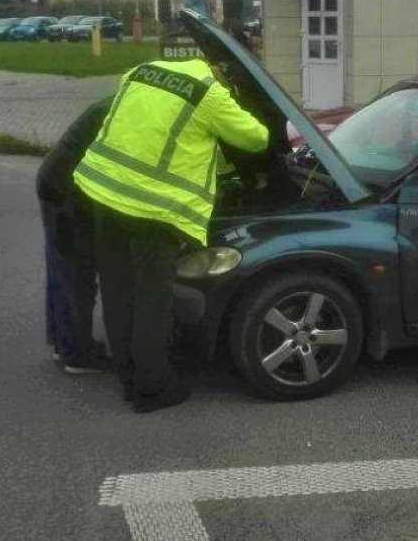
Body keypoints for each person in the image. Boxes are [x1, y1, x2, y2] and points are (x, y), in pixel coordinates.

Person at [73, 58, 269, 413]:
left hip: (103, 192)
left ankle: (129, 379)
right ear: (218, 74)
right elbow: (256, 138)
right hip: (153, 208)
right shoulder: (209, 93)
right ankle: (153, 389)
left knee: (119, 292)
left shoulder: (140, 70)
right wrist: (235, 104)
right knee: (153, 299)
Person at [37, 96, 114, 374]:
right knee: (76, 274)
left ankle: (64, 344)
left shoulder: (121, 100)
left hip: (54, 182)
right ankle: (77, 354)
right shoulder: (125, 111)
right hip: (66, 192)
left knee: (62, 272)